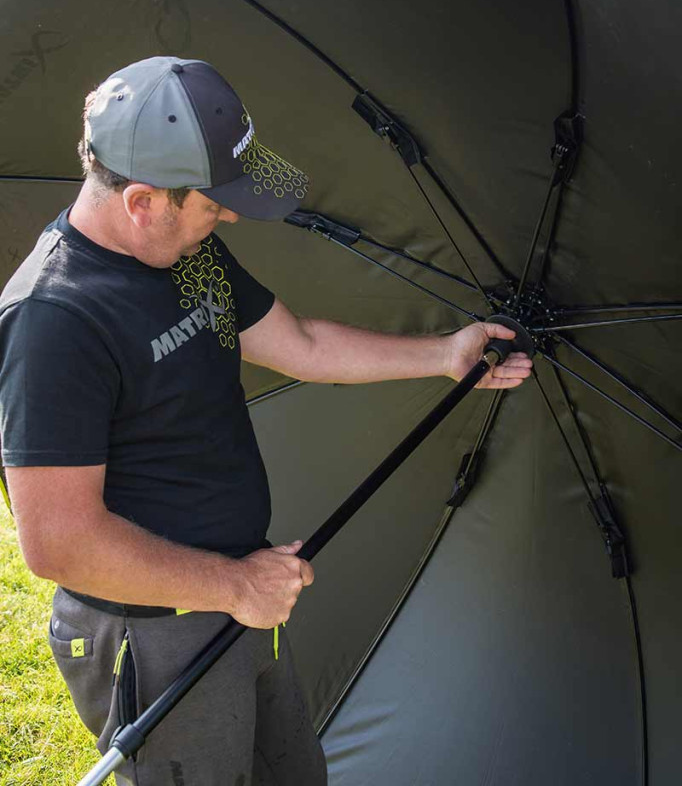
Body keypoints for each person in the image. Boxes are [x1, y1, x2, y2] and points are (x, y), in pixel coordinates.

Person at [0, 56, 532, 785]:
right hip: (155, 631)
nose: (228, 216)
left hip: (240, 595)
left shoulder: (185, 254)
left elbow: (301, 343)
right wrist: (233, 587)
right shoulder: (55, 321)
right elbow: (59, 543)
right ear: (143, 202)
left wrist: (445, 355)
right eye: (214, 204)